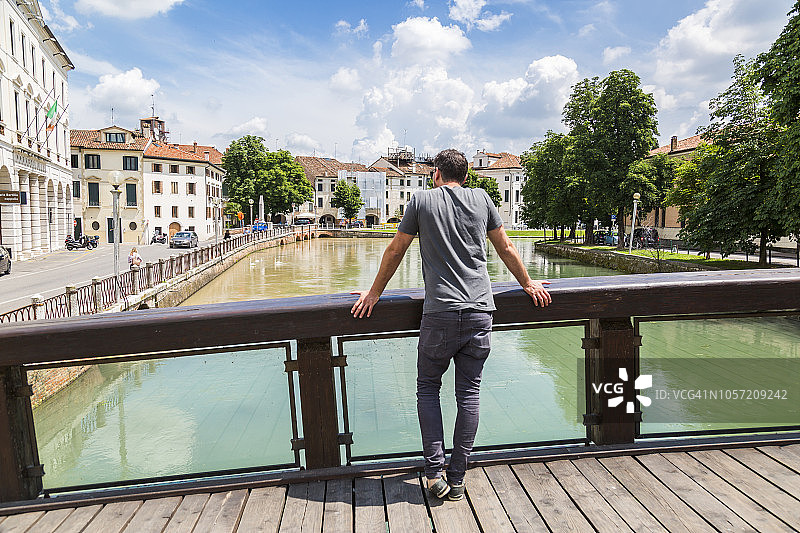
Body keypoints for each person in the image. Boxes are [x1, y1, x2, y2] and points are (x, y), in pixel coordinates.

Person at [351, 149, 551, 502]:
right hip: (480, 311)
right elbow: (505, 247)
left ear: (437, 173)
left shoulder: (421, 201)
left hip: (440, 313)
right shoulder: (483, 198)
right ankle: (457, 477)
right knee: (469, 394)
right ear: (466, 176)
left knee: (428, 389)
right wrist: (527, 283)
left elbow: (396, 250)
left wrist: (374, 293)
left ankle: (434, 473)